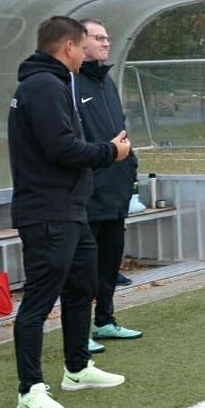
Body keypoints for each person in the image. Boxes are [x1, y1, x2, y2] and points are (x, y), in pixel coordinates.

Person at [8, 15, 130, 408]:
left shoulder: (56, 83)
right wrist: (108, 152)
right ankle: (29, 391)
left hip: (71, 210)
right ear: (67, 49)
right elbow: (62, 149)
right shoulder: (43, 86)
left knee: (82, 287)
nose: (84, 54)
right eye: (81, 46)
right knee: (38, 303)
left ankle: (76, 369)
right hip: (47, 212)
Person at [76, 18, 142, 354]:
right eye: (98, 37)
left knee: (108, 262)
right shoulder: (69, 84)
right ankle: (79, 329)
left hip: (115, 191)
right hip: (88, 194)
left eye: (107, 37)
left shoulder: (107, 83)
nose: (105, 43)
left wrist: (130, 166)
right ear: (79, 42)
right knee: (84, 267)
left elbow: (120, 132)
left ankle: (105, 320)